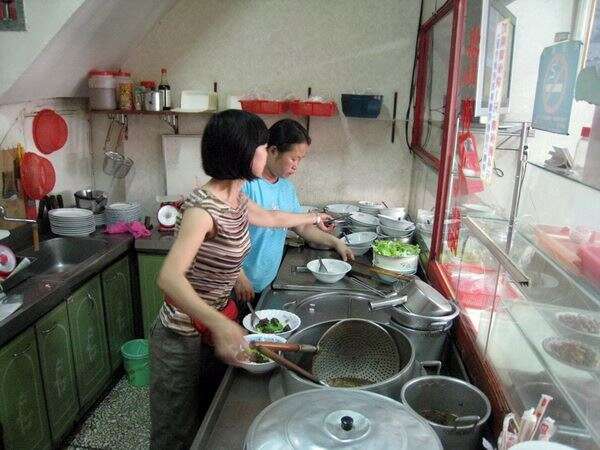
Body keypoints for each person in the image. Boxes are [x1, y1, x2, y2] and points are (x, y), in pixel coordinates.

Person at [150, 110, 333, 450]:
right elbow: (169, 278)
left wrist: (313, 216)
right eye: (263, 147)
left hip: (212, 328)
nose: (267, 155)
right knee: (174, 435)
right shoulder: (203, 209)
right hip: (181, 336)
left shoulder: (237, 196)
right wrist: (220, 324)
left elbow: (271, 217)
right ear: (243, 153)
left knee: (207, 418)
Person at [234, 119, 353, 301]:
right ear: (273, 151)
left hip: (267, 280)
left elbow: (302, 227)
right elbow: (228, 237)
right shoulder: (246, 184)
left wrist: (335, 242)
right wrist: (238, 276)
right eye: (293, 158)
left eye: (300, 159)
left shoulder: (286, 188)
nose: (296, 165)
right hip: (240, 283)